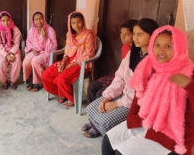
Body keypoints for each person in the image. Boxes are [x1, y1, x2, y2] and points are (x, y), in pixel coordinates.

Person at [102, 25, 194, 155]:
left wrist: (188, 85)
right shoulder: (150, 66)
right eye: (157, 45)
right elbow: (138, 96)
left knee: (121, 153)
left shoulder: (189, 73)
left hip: (174, 129)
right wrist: (131, 120)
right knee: (108, 140)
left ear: (180, 47)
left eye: (168, 46)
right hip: (148, 119)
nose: (161, 51)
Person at [82, 18, 159, 138]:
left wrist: (117, 104)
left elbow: (142, 94)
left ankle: (100, 128)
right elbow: (120, 78)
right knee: (93, 108)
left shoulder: (154, 61)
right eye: (134, 34)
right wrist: (107, 97)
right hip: (125, 95)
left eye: (140, 34)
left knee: (106, 121)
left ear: (153, 36)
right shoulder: (132, 54)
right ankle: (96, 125)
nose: (135, 38)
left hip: (136, 103)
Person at [42, 11, 96, 107]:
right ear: (70, 24)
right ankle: (61, 93)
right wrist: (63, 63)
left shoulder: (88, 35)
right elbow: (67, 52)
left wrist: (72, 64)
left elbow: (88, 55)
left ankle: (71, 98)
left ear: (83, 22)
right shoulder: (69, 35)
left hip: (81, 64)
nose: (76, 25)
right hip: (68, 62)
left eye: (79, 22)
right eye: (73, 23)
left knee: (61, 78)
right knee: (46, 74)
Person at [87, 19, 137, 105]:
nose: (122, 37)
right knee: (91, 87)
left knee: (100, 94)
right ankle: (92, 113)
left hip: (126, 82)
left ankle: (99, 113)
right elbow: (121, 70)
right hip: (118, 76)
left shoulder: (136, 52)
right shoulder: (125, 47)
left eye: (127, 34)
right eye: (121, 33)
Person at [23, 12, 57, 91]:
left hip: (46, 52)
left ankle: (39, 82)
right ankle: (31, 80)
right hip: (35, 51)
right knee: (26, 61)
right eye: (36, 19)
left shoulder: (50, 29)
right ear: (33, 21)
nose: (39, 21)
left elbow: (54, 46)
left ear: (44, 19)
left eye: (41, 18)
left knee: (35, 62)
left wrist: (44, 37)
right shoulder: (32, 30)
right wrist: (33, 49)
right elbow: (28, 42)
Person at [0, 11, 22, 90]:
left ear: (10, 19)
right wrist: (6, 54)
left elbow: (16, 44)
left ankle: (12, 81)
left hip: (13, 50)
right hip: (1, 51)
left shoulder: (15, 29)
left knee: (16, 61)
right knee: (0, 63)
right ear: (0, 21)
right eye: (3, 21)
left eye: (7, 20)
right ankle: (4, 81)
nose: (6, 23)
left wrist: (11, 53)